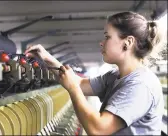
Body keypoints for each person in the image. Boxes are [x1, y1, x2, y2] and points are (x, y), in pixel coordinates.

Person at [24, 11, 165, 135]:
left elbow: (98, 129)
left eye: (107, 37)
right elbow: (79, 83)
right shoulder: (115, 76)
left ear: (128, 42)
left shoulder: (140, 85)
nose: (101, 43)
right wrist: (46, 57)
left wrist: (72, 89)